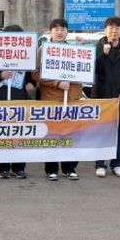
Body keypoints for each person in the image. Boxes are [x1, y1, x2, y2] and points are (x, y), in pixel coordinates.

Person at [32, 18, 82, 181]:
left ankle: (70, 168)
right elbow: (36, 74)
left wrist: (81, 50)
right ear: (50, 32)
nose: (60, 32)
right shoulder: (42, 50)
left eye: (63, 29)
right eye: (56, 29)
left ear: (67, 32)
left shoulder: (75, 50)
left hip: (72, 99)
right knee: (52, 135)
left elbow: (85, 72)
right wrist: (57, 83)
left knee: (71, 135)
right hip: (51, 99)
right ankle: (51, 169)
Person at [0, 24, 36, 180]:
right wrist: (0, 74)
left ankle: (19, 167)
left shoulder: (27, 54)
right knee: (3, 133)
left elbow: (31, 77)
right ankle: (3, 168)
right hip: (1, 96)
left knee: (20, 133)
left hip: (21, 98)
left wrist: (31, 84)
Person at [92, 17, 120, 179]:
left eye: (117, 28)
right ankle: (100, 164)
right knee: (101, 132)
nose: (114, 31)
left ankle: (117, 164)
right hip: (102, 98)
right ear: (105, 30)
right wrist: (103, 55)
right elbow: (92, 70)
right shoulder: (97, 47)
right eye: (111, 28)